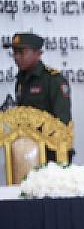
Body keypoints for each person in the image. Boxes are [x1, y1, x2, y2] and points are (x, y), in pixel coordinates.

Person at [4, 32, 72, 163]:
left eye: (22, 52)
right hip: (27, 152)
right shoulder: (21, 80)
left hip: (52, 153)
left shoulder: (53, 80)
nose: (17, 57)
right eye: (15, 52)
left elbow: (62, 121)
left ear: (38, 53)